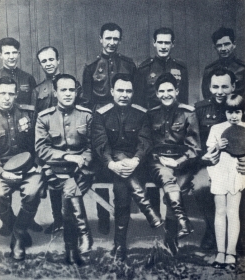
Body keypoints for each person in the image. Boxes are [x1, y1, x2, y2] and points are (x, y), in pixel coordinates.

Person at [92, 73, 162, 262]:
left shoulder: (141, 113)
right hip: (108, 166)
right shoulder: (101, 114)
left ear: (132, 93)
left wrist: (136, 160)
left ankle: (120, 245)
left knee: (122, 187)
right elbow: (100, 143)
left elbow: (145, 141)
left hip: (136, 165)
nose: (124, 94)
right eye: (120, 90)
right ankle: (148, 212)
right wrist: (112, 163)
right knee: (121, 179)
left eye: (128, 91)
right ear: (112, 91)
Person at [82, 22, 136, 235]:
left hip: (125, 126)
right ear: (101, 39)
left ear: (120, 40)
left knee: (123, 170)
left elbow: (137, 98)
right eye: (108, 38)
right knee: (103, 171)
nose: (112, 42)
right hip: (101, 126)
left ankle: (123, 218)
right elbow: (86, 102)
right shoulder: (91, 67)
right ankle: (103, 217)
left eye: (116, 39)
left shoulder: (129, 65)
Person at [35, 74, 94, 266]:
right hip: (55, 171)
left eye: (71, 90)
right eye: (63, 90)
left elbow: (92, 146)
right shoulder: (45, 117)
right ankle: (83, 236)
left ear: (77, 91)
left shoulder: (86, 115)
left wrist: (82, 160)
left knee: (69, 192)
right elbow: (42, 149)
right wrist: (67, 157)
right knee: (69, 189)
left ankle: (71, 249)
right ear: (55, 92)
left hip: (81, 171)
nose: (68, 94)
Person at [147, 73, 201, 255]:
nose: (166, 94)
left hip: (182, 163)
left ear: (177, 91)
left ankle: (171, 238)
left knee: (177, 186)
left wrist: (177, 162)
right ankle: (178, 231)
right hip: (159, 163)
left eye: (170, 90)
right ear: (156, 93)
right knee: (169, 181)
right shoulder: (152, 113)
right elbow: (147, 143)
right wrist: (161, 160)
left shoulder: (188, 112)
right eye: (161, 91)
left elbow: (194, 149)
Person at [33, 46, 83, 235]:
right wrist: (39, 159)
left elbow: (81, 113)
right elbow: (35, 123)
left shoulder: (72, 83)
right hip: (51, 148)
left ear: (58, 60)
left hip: (73, 145)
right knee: (54, 181)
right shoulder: (38, 90)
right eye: (44, 61)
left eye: (51, 59)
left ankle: (73, 220)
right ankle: (58, 220)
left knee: (73, 181)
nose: (48, 64)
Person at [0, 77, 44, 261]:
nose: (6, 97)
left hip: (28, 169)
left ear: (16, 94)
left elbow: (40, 142)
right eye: (2, 93)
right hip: (0, 170)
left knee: (33, 191)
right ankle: (11, 223)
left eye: (10, 93)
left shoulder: (29, 114)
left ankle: (17, 233)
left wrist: (37, 166)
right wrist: (2, 172)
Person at [194, 68, 236, 250]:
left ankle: (237, 234)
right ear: (209, 88)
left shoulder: (240, 107)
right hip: (209, 163)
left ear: (233, 86)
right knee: (200, 185)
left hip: (236, 163)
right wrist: (202, 157)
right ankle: (212, 231)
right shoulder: (199, 109)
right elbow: (193, 141)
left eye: (225, 87)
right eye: (215, 87)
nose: (220, 91)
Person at [206, 94, 245, 269]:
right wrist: (217, 147)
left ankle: (231, 252)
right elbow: (209, 154)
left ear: (243, 112)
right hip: (220, 172)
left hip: (237, 173)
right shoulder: (216, 128)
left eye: (237, 111)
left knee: (233, 212)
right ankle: (220, 252)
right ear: (225, 112)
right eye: (230, 112)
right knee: (220, 211)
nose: (234, 116)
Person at [135, 27, 189, 109]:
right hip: (152, 117)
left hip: (176, 116)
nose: (163, 46)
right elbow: (139, 101)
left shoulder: (181, 68)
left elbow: (184, 99)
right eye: (160, 42)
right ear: (154, 43)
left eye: (167, 43)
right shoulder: (144, 68)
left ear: (173, 44)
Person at [202, 27, 245, 100]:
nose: (223, 49)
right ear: (215, 47)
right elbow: (207, 96)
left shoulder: (243, 68)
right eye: (219, 45)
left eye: (227, 44)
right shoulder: (209, 70)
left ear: (234, 44)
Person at [0, 37, 36, 105]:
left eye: (14, 52)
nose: (11, 57)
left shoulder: (28, 78)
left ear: (19, 54)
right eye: (7, 53)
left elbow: (34, 104)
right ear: (0, 55)